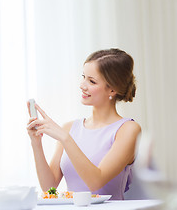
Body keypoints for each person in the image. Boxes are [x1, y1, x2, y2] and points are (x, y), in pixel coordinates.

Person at [27, 48, 141, 200]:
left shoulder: (128, 129)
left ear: (112, 89)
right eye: (83, 77)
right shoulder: (69, 128)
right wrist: (36, 143)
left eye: (92, 81)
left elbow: (96, 181)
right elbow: (49, 187)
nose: (82, 85)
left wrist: (65, 139)